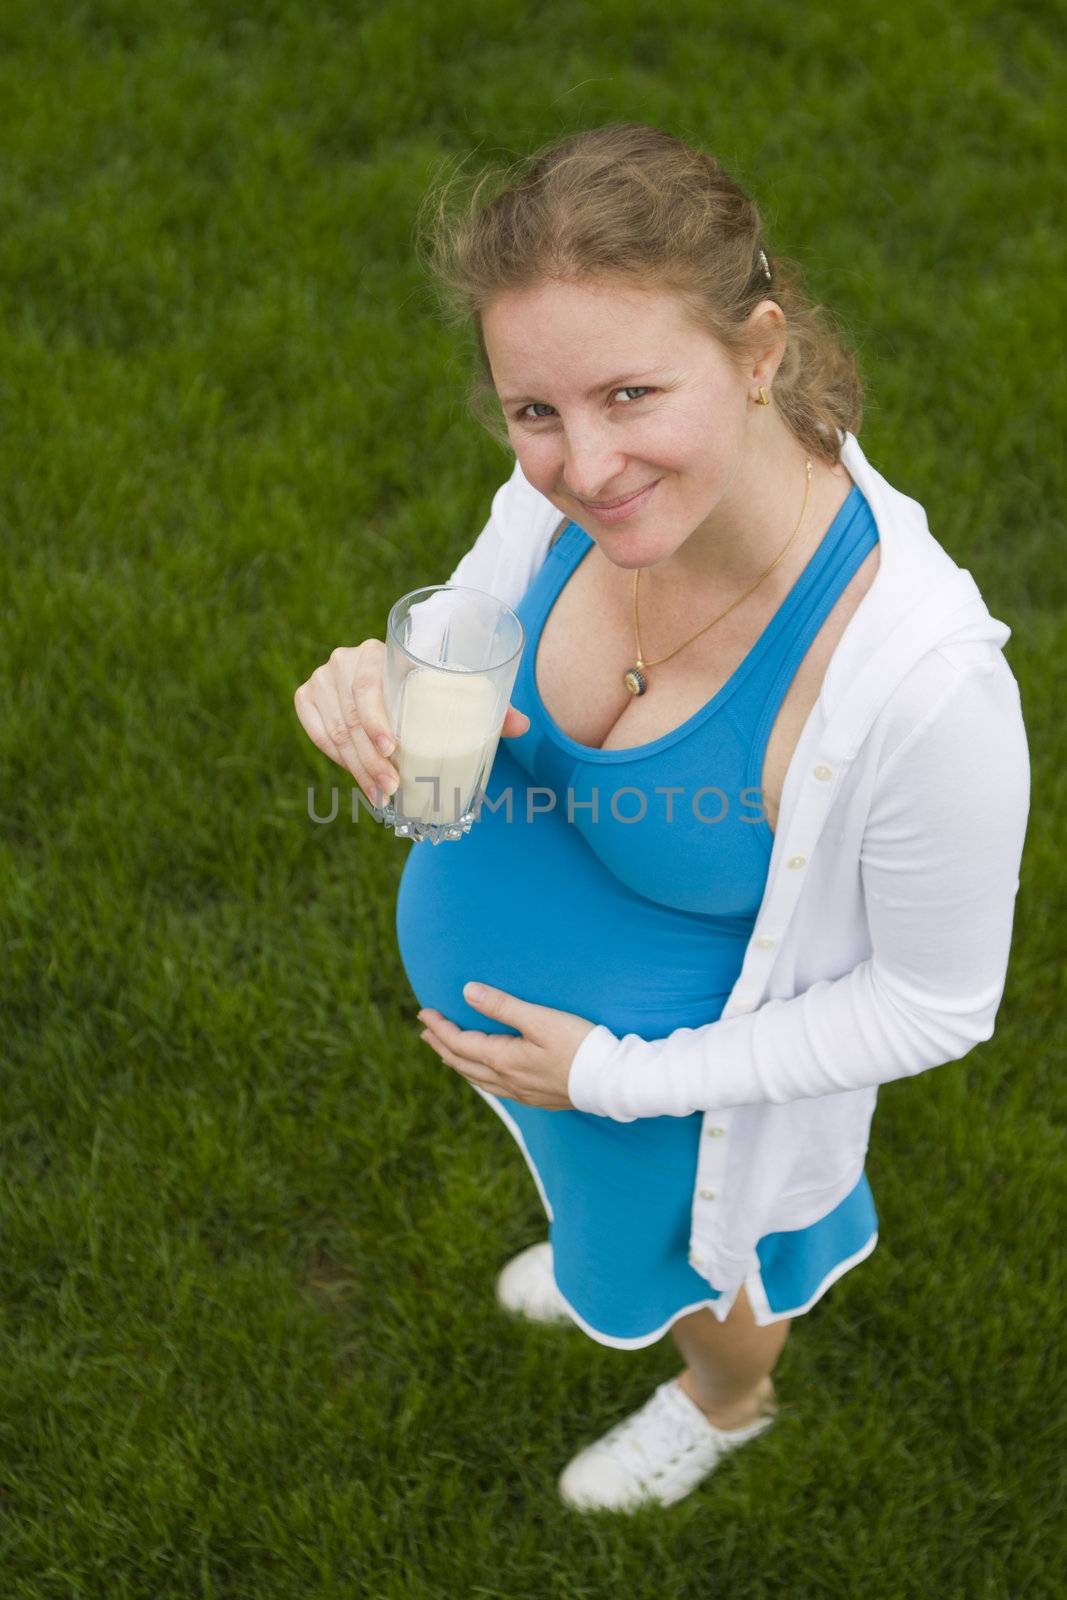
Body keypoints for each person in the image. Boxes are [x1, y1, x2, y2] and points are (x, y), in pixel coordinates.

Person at [292, 123, 1030, 1514]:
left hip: (685, 1104)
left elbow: (941, 1006)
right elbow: (466, 663)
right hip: (548, 1076)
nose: (582, 465)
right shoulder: (555, 497)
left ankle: (724, 1399)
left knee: (727, 1276)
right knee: (613, 1238)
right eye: (537, 411)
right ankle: (597, 1241)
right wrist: (378, 709)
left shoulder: (922, 684)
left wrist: (612, 1081)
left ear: (760, 354)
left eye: (634, 392)